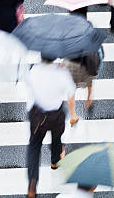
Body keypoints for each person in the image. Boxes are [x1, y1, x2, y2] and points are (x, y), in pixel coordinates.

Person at [26, 53, 77, 198]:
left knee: (34, 147)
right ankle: (55, 161)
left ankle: (32, 183)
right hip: (56, 115)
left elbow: (30, 96)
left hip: (38, 116)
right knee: (56, 139)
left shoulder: (34, 71)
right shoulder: (61, 73)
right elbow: (70, 92)